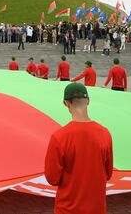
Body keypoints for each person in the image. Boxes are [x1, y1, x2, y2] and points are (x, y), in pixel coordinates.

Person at [44, 83, 113, 214]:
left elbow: (52, 178)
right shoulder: (105, 133)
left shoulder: (59, 137)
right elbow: (108, 174)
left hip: (67, 209)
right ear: (88, 101)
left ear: (66, 103)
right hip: (96, 209)